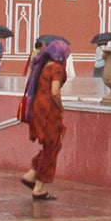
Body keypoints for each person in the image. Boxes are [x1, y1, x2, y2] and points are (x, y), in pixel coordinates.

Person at [18, 38, 70, 201]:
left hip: (37, 108)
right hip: (49, 111)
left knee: (49, 145)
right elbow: (54, 91)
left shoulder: (42, 66)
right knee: (53, 145)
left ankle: (32, 174)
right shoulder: (57, 68)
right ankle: (39, 186)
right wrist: (61, 108)